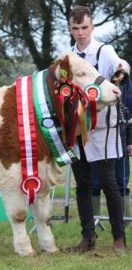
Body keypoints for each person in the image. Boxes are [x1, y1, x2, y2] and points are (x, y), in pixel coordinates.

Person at [65, 5, 131, 254]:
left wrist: (121, 72)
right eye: (75, 28)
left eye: (84, 28)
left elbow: (121, 66)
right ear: (70, 29)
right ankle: (87, 238)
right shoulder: (67, 58)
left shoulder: (105, 51)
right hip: (78, 130)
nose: (80, 33)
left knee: (108, 183)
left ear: (92, 27)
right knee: (82, 184)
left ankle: (118, 239)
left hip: (104, 127)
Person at [92, 79, 132, 222]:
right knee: (94, 182)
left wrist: (130, 141)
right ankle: (94, 219)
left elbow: (129, 113)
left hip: (119, 136)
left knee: (121, 180)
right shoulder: (92, 80)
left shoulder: (124, 82)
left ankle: (125, 219)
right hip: (94, 136)